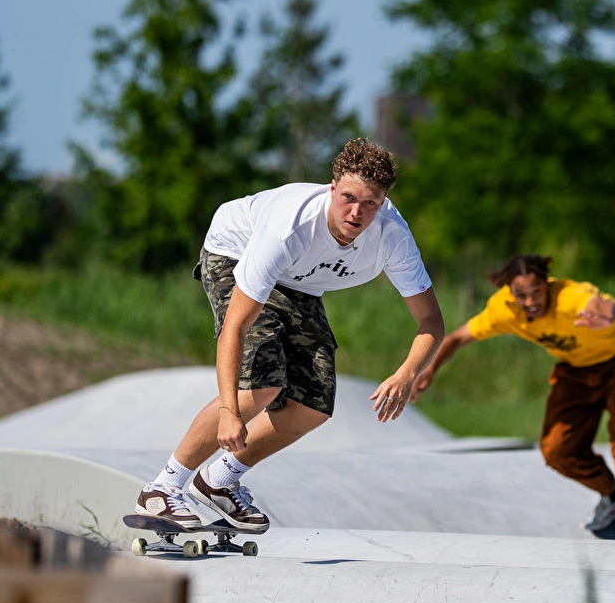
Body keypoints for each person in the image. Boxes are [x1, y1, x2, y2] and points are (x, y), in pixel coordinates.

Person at [136, 138, 444, 531]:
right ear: (332, 189)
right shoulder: (288, 229)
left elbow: (431, 321)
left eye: (370, 203)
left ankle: (218, 482)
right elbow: (236, 327)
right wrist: (231, 412)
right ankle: (162, 487)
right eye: (348, 198)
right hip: (236, 253)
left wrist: (407, 373)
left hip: (301, 281)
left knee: (313, 404)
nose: (356, 213)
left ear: (383, 203)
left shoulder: (393, 237)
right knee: (261, 385)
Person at [411, 254, 615, 542]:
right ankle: (613, 493)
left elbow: (607, 308)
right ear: (510, 293)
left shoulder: (572, 297)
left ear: (547, 285)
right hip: (575, 372)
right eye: (521, 294)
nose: (530, 301)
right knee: (557, 451)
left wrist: (602, 317)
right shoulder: (504, 309)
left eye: (537, 291)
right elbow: (459, 337)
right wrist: (429, 369)